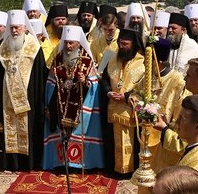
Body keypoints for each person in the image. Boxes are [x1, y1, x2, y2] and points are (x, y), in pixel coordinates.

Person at [42, 25, 104, 170]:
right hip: (59, 103)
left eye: (71, 43)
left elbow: (94, 83)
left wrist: (85, 82)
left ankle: (78, 164)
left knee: (78, 132)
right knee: (60, 131)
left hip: (80, 104)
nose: (68, 46)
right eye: (66, 42)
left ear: (79, 43)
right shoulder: (58, 59)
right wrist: (48, 103)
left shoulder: (86, 60)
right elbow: (50, 82)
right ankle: (61, 163)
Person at [0, 10, 48, 171]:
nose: (14, 31)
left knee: (28, 130)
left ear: (25, 28)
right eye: (11, 28)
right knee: (10, 129)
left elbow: (39, 77)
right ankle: (13, 163)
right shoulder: (5, 47)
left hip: (29, 98)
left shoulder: (34, 47)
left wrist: (39, 101)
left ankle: (29, 163)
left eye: (17, 27)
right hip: (7, 98)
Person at [130, 38, 189, 172]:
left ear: (159, 62)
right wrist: (140, 105)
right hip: (146, 132)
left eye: (148, 59)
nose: (145, 62)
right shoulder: (148, 76)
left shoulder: (178, 81)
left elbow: (181, 110)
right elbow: (135, 93)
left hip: (165, 135)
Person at [99, 28, 145, 176]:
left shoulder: (143, 62)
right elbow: (105, 79)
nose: (121, 47)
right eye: (120, 43)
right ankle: (114, 169)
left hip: (132, 110)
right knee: (112, 141)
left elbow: (145, 87)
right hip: (113, 108)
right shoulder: (112, 59)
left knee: (133, 142)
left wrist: (125, 96)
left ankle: (131, 170)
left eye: (125, 44)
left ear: (133, 45)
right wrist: (108, 91)